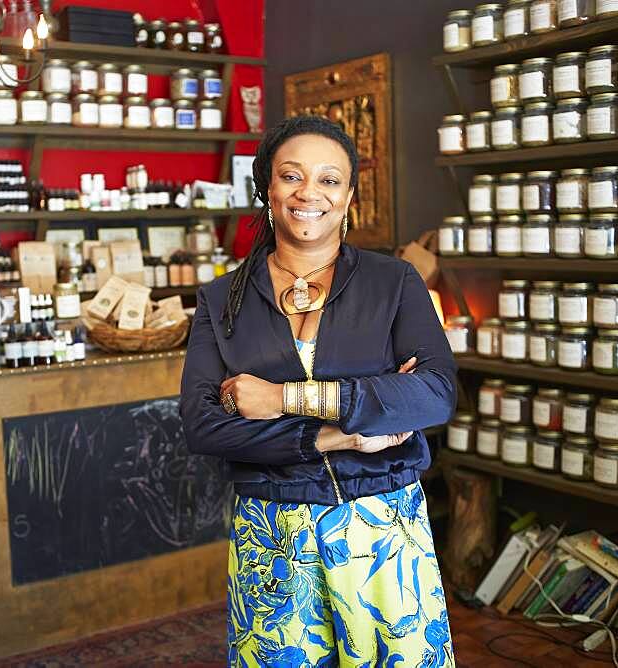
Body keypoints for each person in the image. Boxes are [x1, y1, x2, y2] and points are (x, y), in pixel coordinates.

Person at [180, 115, 457, 667]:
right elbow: (203, 425)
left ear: (350, 194)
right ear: (268, 189)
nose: (310, 193)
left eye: (330, 180)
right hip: (273, 539)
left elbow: (434, 394)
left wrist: (283, 400)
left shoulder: (394, 283)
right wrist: (342, 435)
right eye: (292, 176)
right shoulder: (220, 300)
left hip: (381, 529)